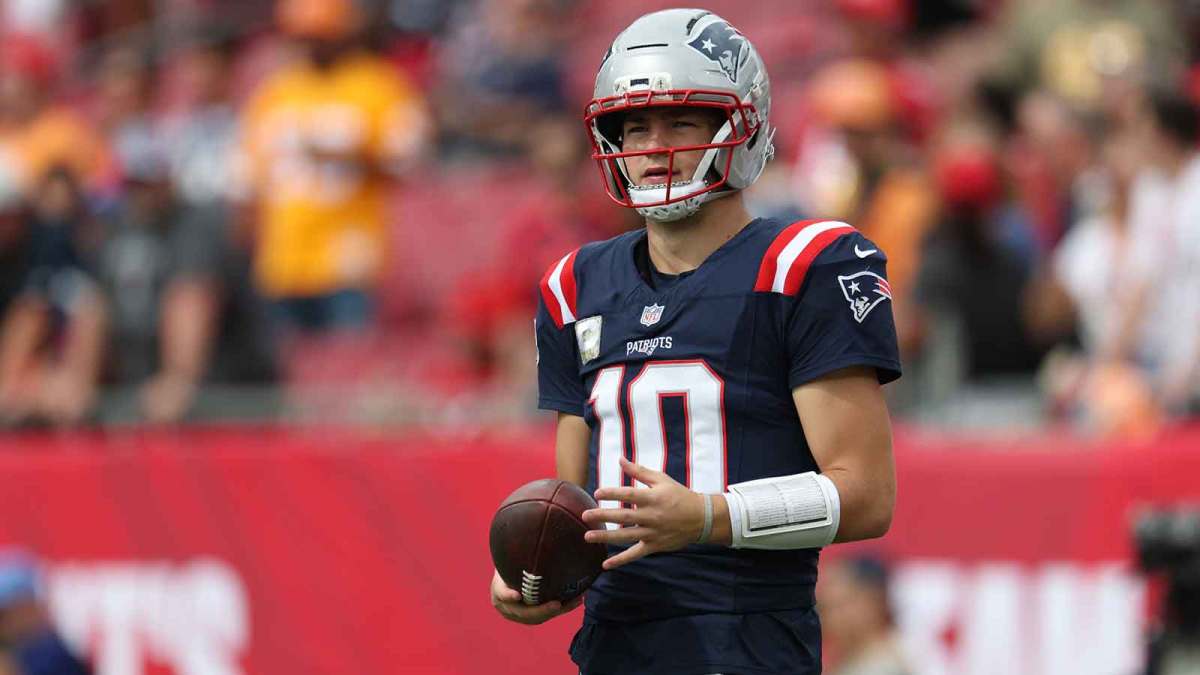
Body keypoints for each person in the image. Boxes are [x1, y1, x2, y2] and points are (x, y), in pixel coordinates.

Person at [489, 10, 901, 674]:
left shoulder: (804, 264)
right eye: (635, 125)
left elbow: (866, 496)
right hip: (615, 644)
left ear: (740, 127)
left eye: (681, 120)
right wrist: (542, 567)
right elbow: (576, 507)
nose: (653, 145)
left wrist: (709, 516)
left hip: (746, 641)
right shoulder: (576, 284)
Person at [239, 0, 430, 333]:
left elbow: (407, 160)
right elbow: (249, 178)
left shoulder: (379, 85)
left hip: (349, 261)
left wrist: (350, 158)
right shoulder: (277, 92)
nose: (312, 45)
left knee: (347, 371)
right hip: (284, 262)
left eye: (320, 35)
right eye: (304, 37)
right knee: (287, 374)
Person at [818, 555, 912, 675]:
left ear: (874, 601)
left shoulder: (883, 665)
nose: (830, 617)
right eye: (824, 607)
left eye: (840, 605)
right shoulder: (848, 660)